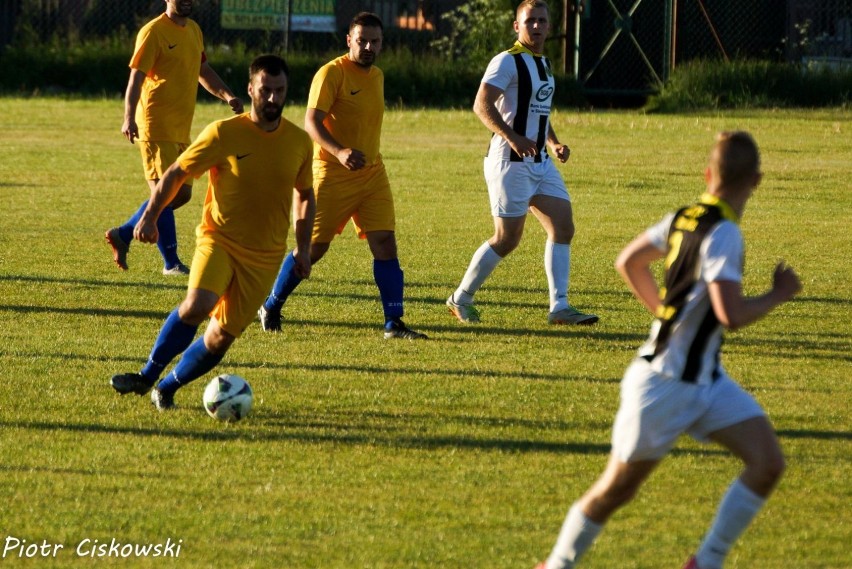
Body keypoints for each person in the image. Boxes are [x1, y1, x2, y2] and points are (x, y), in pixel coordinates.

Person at [536, 131, 802, 569]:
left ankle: (706, 562)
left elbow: (630, 261)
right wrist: (778, 293)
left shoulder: (684, 215)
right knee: (615, 490)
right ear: (756, 180)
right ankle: (556, 566)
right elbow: (729, 314)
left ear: (707, 174)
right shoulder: (725, 233)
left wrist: (662, 311)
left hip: (706, 381)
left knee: (767, 462)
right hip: (663, 385)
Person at [109, 54, 315, 410]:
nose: (272, 99)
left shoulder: (298, 142)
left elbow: (305, 195)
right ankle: (146, 375)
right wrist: (150, 216)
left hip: (264, 257)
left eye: (279, 91)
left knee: (219, 338)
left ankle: (167, 387)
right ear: (250, 89)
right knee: (197, 305)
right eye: (265, 90)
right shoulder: (224, 133)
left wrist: (304, 249)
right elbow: (176, 173)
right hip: (218, 239)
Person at [257, 12, 427, 340]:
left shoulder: (376, 75)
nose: (367, 47)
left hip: (372, 174)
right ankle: (272, 304)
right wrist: (340, 152)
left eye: (374, 41)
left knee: (385, 244)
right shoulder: (331, 74)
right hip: (331, 174)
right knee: (313, 250)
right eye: (361, 40)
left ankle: (393, 323)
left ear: (381, 43)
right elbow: (311, 122)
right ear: (348, 40)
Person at [445, 0, 597, 326]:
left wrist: (553, 142)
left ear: (550, 26)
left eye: (543, 21)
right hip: (509, 161)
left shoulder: (544, 63)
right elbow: (481, 105)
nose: (537, 27)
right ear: (517, 26)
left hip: (540, 162)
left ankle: (559, 307)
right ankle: (461, 298)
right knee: (507, 239)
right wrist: (513, 137)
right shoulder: (506, 61)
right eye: (531, 21)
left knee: (563, 225)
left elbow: (539, 110)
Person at [105, 0, 243, 276]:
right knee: (165, 192)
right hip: (155, 125)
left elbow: (203, 70)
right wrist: (128, 116)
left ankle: (124, 233)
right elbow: (136, 78)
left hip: (181, 127)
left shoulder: (193, 30)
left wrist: (227, 95)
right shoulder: (153, 31)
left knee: (181, 194)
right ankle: (171, 263)